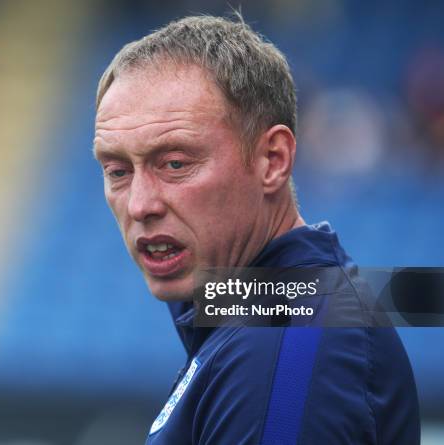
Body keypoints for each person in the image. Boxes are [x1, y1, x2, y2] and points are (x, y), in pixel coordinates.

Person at [92, 13, 420, 444]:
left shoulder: (281, 346)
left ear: (273, 161)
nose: (140, 204)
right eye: (117, 171)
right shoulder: (267, 312)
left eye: (175, 164)